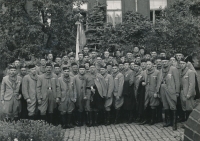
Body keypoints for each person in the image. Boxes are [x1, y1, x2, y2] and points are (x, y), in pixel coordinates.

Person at [159, 57, 180, 130]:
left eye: (165, 62)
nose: (164, 63)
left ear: (169, 62)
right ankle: (169, 121)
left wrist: (177, 91)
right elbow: (159, 81)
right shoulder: (161, 70)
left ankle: (174, 123)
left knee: (172, 105)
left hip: (171, 89)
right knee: (165, 105)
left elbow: (177, 81)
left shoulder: (173, 69)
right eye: (163, 62)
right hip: (162, 88)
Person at [141, 59, 160, 125]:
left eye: (149, 64)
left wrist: (156, 92)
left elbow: (158, 83)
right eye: (147, 64)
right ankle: (146, 119)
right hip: (146, 90)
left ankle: (153, 119)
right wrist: (143, 82)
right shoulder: (144, 72)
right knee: (146, 104)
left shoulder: (157, 72)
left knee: (153, 105)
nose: (148, 66)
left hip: (153, 90)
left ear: (152, 64)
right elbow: (142, 80)